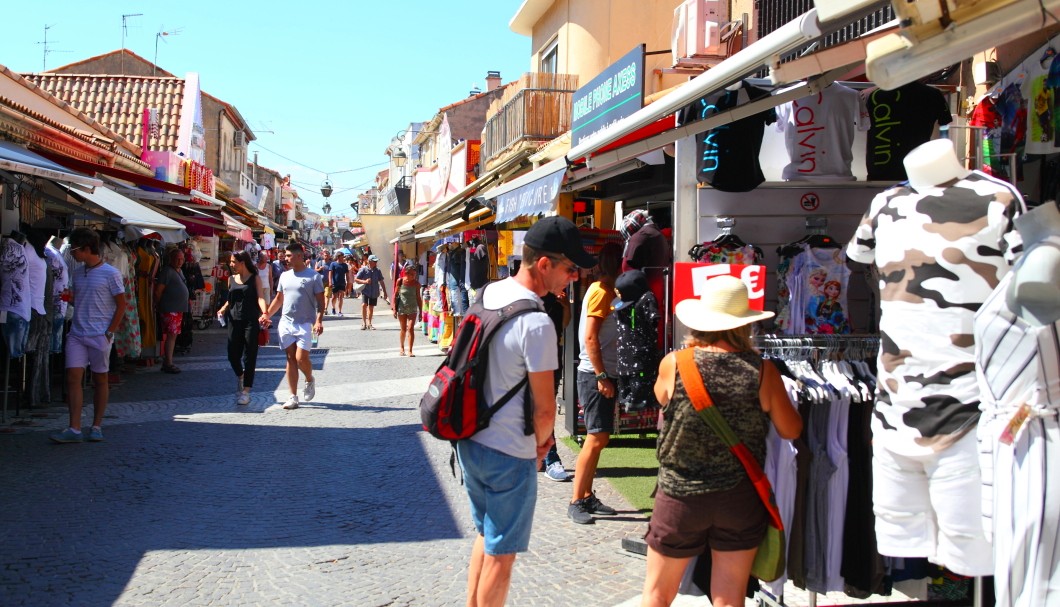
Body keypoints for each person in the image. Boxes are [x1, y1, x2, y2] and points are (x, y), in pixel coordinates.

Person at [456, 215, 596, 606]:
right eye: (570, 269)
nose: (573, 278)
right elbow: (545, 407)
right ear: (545, 264)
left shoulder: (486, 294)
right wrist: (540, 447)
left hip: (470, 439)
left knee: (487, 535)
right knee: (503, 555)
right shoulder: (536, 322)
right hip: (508, 449)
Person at [640, 276, 802, 607]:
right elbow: (791, 430)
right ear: (744, 324)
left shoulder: (675, 364)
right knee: (729, 598)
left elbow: (661, 399)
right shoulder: (762, 371)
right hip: (738, 498)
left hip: (681, 496)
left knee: (657, 595)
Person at [50, 228, 127, 443]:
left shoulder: (111, 274)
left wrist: (109, 332)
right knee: (73, 378)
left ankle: (96, 425)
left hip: (99, 334)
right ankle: (74, 428)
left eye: (74, 250)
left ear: (86, 249)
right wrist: (70, 297)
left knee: (100, 379)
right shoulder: (78, 272)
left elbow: (122, 305)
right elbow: (81, 299)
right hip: (77, 333)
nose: (72, 254)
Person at [568, 242, 623, 524]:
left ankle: (587, 495)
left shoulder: (607, 289)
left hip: (601, 372)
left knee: (600, 436)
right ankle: (577, 499)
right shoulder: (601, 291)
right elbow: (589, 337)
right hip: (594, 374)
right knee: (596, 436)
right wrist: (601, 375)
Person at [261, 243, 325, 410]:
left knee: (301, 358)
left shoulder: (314, 277)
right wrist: (267, 314)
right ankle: (292, 396)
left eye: (288, 255)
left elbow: (321, 301)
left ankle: (309, 378)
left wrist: (319, 320)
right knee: (290, 358)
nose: (285, 258)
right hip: (286, 323)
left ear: (299, 256)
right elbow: (279, 299)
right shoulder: (284, 276)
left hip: (307, 325)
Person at [216, 251, 270, 406]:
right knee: (232, 355)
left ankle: (246, 391)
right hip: (234, 320)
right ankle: (241, 375)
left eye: (234, 262)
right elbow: (230, 299)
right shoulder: (231, 279)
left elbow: (260, 297)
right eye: (231, 262)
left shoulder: (255, 279)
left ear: (242, 262)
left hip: (250, 320)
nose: (231, 265)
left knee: (249, 355)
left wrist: (265, 313)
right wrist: (223, 309)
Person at [155, 247, 190, 374]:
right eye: (177, 259)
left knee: (173, 336)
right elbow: (159, 290)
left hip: (177, 309)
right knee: (171, 335)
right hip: (170, 309)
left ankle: (168, 361)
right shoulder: (167, 271)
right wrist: (157, 304)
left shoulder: (179, 271)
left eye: (182, 259)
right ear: (171, 259)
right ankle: (168, 362)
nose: (180, 261)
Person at [393, 260, 422, 356]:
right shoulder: (400, 281)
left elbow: (418, 298)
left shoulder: (417, 284)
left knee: (410, 328)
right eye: (412, 274)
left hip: (413, 308)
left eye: (414, 274)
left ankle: (410, 350)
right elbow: (395, 294)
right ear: (406, 273)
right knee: (403, 329)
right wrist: (394, 308)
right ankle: (401, 347)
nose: (414, 276)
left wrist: (421, 311)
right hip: (402, 308)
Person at [354, 254, 389, 330]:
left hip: (374, 291)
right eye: (374, 261)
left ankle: (369, 323)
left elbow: (381, 281)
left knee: (371, 307)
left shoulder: (378, 271)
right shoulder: (364, 269)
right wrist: (365, 281)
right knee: (364, 305)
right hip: (365, 291)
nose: (376, 262)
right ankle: (364, 323)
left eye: (376, 261)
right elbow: (356, 279)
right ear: (369, 261)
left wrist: (385, 292)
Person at [329, 252, 351, 317]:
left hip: (342, 282)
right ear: (338, 257)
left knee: (341, 296)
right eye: (342, 256)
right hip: (335, 282)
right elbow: (330, 273)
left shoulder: (345, 265)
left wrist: (348, 282)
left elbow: (347, 275)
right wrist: (330, 282)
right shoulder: (333, 264)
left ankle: (340, 311)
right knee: (334, 297)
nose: (343, 258)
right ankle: (333, 307)